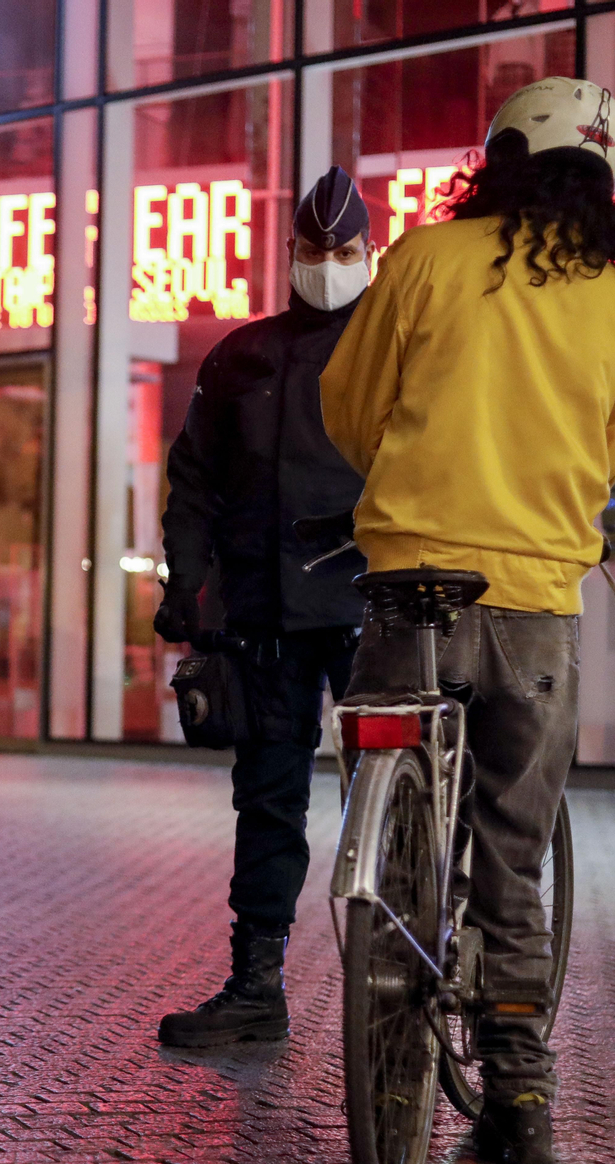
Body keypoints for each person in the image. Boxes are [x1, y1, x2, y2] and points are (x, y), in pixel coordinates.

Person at [320, 78, 615, 1164]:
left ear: (500, 154)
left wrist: (409, 474)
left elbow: (351, 400)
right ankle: (517, 1101)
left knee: (393, 792)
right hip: (533, 605)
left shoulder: (422, 258)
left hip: (409, 579)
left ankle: (386, 882)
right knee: (513, 846)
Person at [153, 168, 376, 1048]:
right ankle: (256, 984)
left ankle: (409, 960)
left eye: (346, 251)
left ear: (372, 254)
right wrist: (186, 584)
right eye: (316, 250)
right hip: (266, 613)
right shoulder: (239, 356)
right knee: (269, 800)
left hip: (371, 605)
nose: (329, 265)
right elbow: (194, 482)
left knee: (393, 795)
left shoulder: (398, 347)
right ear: (290, 253)